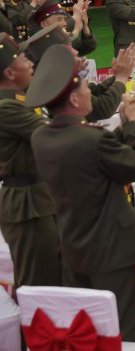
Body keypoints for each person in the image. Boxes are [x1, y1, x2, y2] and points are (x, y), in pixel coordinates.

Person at [27, 44, 135, 343]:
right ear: (73, 97)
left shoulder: (41, 136)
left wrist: (121, 127)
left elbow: (90, 159)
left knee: (93, 332)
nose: (89, 94)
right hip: (113, 249)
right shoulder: (90, 139)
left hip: (73, 244)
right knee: (126, 331)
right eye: (85, 88)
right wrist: (133, 122)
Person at [0, 33, 60, 290]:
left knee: (57, 275)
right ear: (10, 73)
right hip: (27, 203)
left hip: (40, 196)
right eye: (24, 58)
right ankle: (37, 333)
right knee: (40, 283)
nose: (31, 62)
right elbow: (55, 133)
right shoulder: (6, 107)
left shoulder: (22, 99)